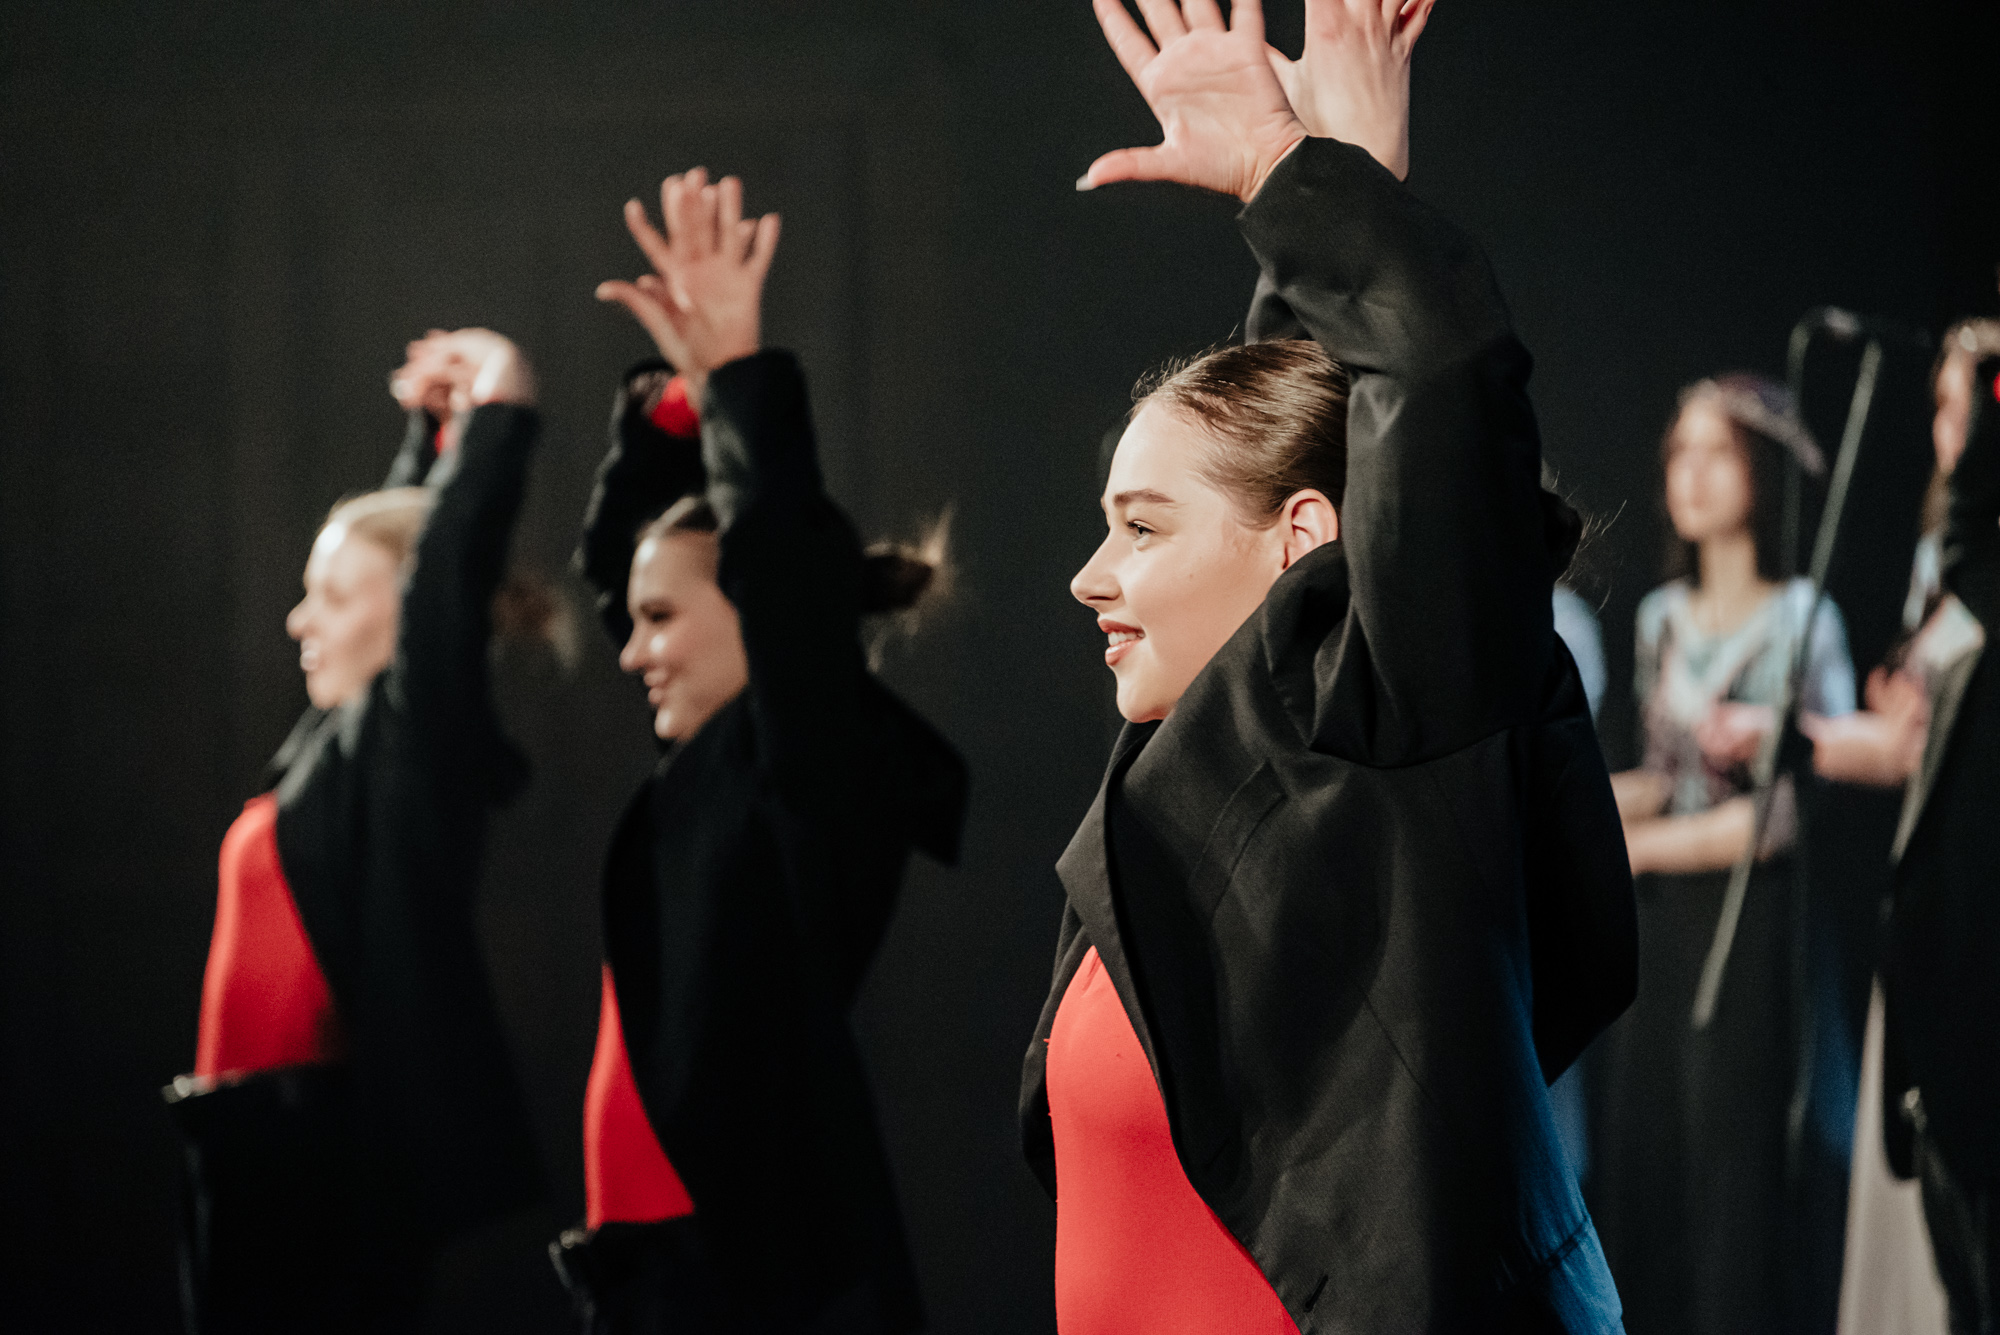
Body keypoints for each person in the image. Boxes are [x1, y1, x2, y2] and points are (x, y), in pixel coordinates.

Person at [1018, 1, 1637, 1330]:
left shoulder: (1397, 732)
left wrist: (1293, 180)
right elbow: (1304, 434)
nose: (1089, 575)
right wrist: (1346, 193)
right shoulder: (1193, 777)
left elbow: (1438, 387)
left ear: (1303, 539)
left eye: (1141, 527)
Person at [550, 168, 966, 1335]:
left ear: (763, 613)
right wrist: (678, 415)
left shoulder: (808, 765)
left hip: (758, 1292)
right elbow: (621, 565)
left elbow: (783, 570)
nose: (632, 650)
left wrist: (738, 377)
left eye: (661, 620)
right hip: (648, 1284)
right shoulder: (706, 765)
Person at [164, 329, 547, 1333]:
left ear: (409, 615)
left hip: (321, 1159)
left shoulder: (411, 746)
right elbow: (404, 543)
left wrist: (499, 415)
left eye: (330, 598)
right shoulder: (336, 750)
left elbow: (437, 573)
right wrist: (432, 437)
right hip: (243, 1144)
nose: (301, 622)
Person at [1594, 373, 1857, 1335]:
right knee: (1652, 1156)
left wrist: (1640, 848)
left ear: (1760, 471)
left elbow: (1783, 815)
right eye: (1680, 453)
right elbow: (1664, 776)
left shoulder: (1803, 618)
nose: (1692, 474)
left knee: (1732, 1167)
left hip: (1751, 924)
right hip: (1663, 930)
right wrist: (1570, 804)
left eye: (1717, 453)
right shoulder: (1660, 617)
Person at [1816, 320, 2000, 1335]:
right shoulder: (1939, 555)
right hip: (1925, 886)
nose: (1948, 430)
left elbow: (1915, 737)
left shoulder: (1978, 557)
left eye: (1965, 406)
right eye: (1942, 406)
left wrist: (1803, 739)